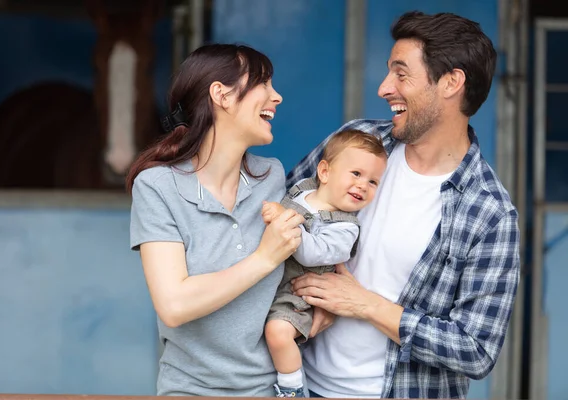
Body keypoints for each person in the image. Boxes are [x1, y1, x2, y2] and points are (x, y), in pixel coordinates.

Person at [287, 11, 521, 399]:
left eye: (401, 73)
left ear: (451, 83)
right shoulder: (357, 141)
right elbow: (285, 206)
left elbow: (476, 350)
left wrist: (367, 305)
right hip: (299, 384)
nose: (383, 88)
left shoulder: (489, 213)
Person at [126, 43, 306, 397]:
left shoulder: (270, 176)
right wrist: (264, 258)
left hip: (271, 389)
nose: (277, 96)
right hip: (191, 391)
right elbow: (175, 305)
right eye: (263, 83)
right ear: (221, 95)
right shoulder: (158, 187)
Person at [262, 130, 388, 397]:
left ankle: (292, 388)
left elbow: (312, 254)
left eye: (373, 181)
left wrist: (285, 219)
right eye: (356, 174)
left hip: (296, 294)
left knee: (277, 332)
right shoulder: (302, 190)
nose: (363, 185)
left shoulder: (346, 227)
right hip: (268, 278)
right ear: (325, 172)